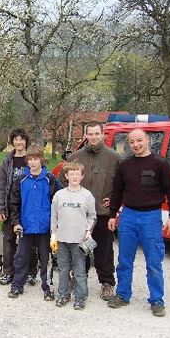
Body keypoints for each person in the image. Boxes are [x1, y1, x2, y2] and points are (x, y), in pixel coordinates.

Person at [107, 129, 170, 317]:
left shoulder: (160, 164)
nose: (136, 145)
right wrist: (112, 215)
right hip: (128, 216)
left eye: (139, 140)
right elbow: (116, 192)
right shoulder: (124, 165)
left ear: (147, 140)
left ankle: (157, 300)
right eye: (132, 142)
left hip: (151, 217)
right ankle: (123, 295)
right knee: (124, 260)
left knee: (154, 261)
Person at [58, 122, 120, 301]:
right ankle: (78, 278)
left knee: (104, 251)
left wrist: (114, 200)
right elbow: (62, 179)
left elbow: (121, 183)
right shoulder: (76, 157)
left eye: (97, 134)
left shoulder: (114, 157)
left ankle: (107, 282)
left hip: (102, 213)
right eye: (90, 134)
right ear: (86, 135)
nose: (93, 137)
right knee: (78, 250)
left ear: (103, 135)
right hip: (79, 214)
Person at [8, 145, 61, 300]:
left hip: (45, 228)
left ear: (41, 159)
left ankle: (47, 287)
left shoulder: (50, 179)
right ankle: (17, 285)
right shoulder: (21, 179)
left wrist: (55, 225)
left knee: (46, 259)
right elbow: (14, 203)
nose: (32, 162)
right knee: (21, 257)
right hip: (26, 227)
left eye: (35, 159)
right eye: (30, 159)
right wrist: (16, 222)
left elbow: (58, 202)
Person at [0, 129, 39, 286]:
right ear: (12, 141)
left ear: (26, 141)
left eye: (22, 139)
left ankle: (31, 272)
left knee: (30, 241)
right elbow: (0, 187)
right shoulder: (6, 162)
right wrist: (0, 209)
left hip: (29, 207)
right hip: (10, 206)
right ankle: (8, 272)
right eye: (16, 139)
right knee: (9, 241)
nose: (19, 142)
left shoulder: (32, 159)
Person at [50, 161, 96, 310]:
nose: (74, 176)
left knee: (79, 270)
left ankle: (80, 297)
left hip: (79, 240)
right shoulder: (59, 195)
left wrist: (88, 230)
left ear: (82, 176)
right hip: (62, 239)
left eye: (77, 174)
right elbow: (54, 217)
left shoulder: (87, 195)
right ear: (66, 176)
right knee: (63, 269)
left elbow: (92, 216)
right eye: (72, 174)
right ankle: (63, 294)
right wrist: (53, 235)